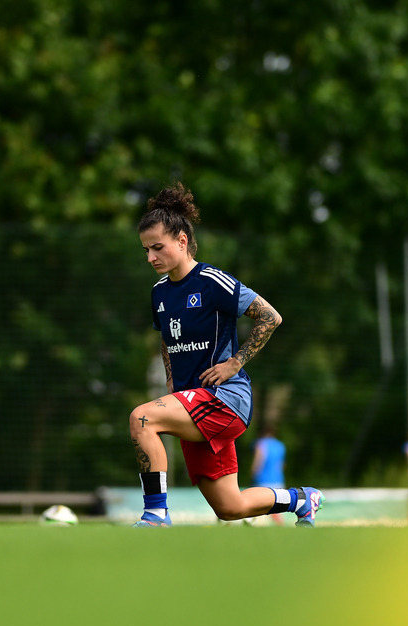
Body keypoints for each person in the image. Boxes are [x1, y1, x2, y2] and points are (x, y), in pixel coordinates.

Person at [129, 182, 324, 527]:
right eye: (146, 250)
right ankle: (301, 499)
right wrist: (172, 382)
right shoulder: (159, 293)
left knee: (142, 418)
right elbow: (166, 339)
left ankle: (156, 514)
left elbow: (270, 316)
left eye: (157, 248)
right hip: (192, 402)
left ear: (182, 241)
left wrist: (235, 363)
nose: (150, 258)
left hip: (224, 399)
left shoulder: (212, 281)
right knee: (229, 507)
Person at [252, 427, 286, 525]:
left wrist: (254, 472)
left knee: (259, 506)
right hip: (278, 480)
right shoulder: (280, 445)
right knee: (277, 506)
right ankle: (281, 526)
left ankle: (280, 526)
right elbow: (282, 465)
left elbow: (259, 461)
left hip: (264, 479)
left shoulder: (261, 444)